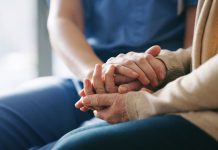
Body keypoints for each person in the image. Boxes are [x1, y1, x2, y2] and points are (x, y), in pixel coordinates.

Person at [0, 0, 197, 149]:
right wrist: (97, 76)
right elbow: (63, 19)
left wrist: (148, 83)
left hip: (154, 90)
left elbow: (196, 49)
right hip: (85, 79)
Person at [51, 0, 218, 149]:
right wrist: (163, 65)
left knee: (71, 146)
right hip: (101, 77)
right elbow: (205, 53)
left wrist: (138, 103)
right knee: (28, 119)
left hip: (173, 93)